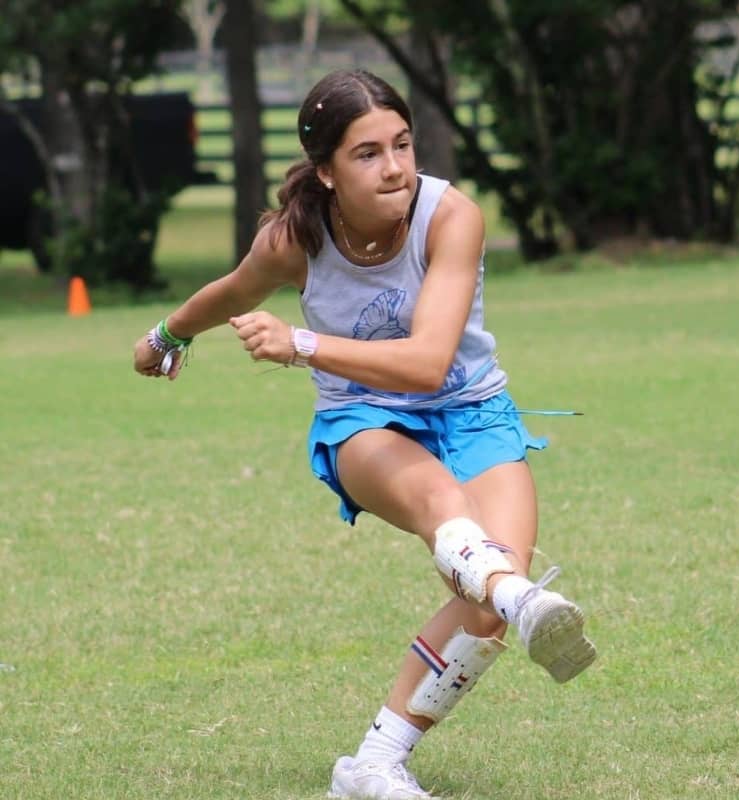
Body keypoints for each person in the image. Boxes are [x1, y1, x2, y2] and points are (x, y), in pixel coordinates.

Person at [132, 68, 596, 800]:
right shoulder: (296, 238)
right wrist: (167, 334)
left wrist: (302, 344)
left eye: (404, 145)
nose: (396, 168)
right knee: (446, 507)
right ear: (325, 172)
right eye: (368, 153)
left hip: (472, 409)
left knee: (481, 609)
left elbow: (428, 361)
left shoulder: (452, 217)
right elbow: (233, 291)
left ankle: (373, 764)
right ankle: (522, 595)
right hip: (364, 421)